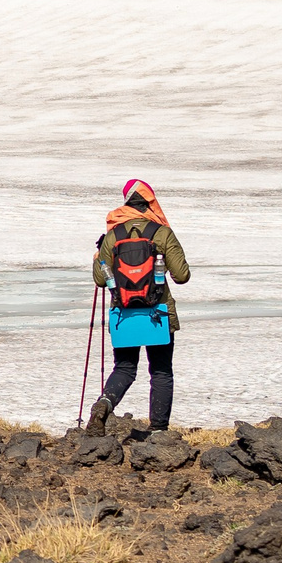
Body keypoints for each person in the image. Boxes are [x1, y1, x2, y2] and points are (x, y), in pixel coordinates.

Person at [88, 179, 191, 432]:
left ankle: (104, 404)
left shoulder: (113, 235)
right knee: (161, 371)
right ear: (150, 202)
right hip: (158, 313)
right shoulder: (161, 233)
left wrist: (98, 257)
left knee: (124, 368)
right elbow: (182, 276)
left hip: (124, 314)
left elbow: (100, 280)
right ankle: (158, 431)